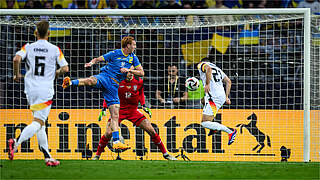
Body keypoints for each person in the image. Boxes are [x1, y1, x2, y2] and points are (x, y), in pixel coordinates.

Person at [62, 36, 144, 150]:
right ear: (127, 45)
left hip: (114, 85)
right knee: (91, 80)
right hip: (105, 77)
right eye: (133, 45)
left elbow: (141, 73)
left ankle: (116, 142)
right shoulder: (115, 53)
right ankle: (70, 82)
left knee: (115, 115)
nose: (135, 47)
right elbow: (99, 59)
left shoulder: (133, 58)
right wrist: (91, 63)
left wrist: (129, 70)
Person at [8, 20, 69, 166]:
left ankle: (48, 156)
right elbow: (65, 68)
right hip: (45, 90)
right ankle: (16, 143)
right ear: (49, 33)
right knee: (38, 122)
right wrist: (56, 72)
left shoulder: (28, 46)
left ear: (35, 33)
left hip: (30, 89)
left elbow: (16, 59)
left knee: (40, 122)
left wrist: (16, 75)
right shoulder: (55, 49)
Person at [94, 70, 177, 160]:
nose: (131, 74)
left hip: (133, 111)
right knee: (108, 133)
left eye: (132, 72)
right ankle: (97, 155)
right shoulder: (117, 81)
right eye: (129, 72)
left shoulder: (139, 81)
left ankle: (165, 154)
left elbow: (141, 93)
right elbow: (109, 94)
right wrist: (104, 108)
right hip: (118, 111)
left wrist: (144, 105)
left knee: (151, 130)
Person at [197, 58, 237, 145]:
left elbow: (208, 69)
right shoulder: (218, 69)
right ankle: (213, 128)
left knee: (205, 123)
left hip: (214, 97)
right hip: (219, 96)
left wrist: (207, 84)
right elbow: (228, 81)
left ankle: (230, 131)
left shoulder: (201, 65)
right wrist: (226, 97)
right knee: (203, 101)